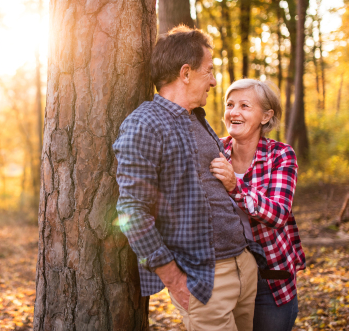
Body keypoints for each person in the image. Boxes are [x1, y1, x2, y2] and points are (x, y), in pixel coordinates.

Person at [113, 26, 266, 331]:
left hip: (243, 267)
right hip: (204, 279)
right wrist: (175, 279)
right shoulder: (145, 124)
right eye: (208, 71)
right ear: (185, 73)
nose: (213, 80)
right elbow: (131, 212)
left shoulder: (197, 118)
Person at [210, 79, 306, 331]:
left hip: (269, 280)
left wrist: (235, 186)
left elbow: (278, 214)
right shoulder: (214, 150)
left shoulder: (281, 155)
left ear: (266, 116)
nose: (234, 112)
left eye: (244, 105)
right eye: (230, 104)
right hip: (225, 276)